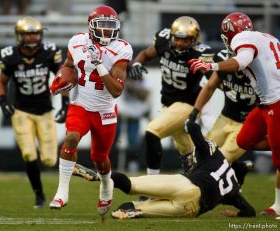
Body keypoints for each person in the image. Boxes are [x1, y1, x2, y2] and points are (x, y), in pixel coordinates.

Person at [188, 12, 280, 216]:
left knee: (278, 160)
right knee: (244, 140)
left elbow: (241, 61)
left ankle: (278, 206)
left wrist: (210, 65)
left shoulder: (241, 39)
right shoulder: (266, 37)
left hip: (276, 102)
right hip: (266, 103)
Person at [72, 119, 256, 219]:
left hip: (182, 182)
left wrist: (187, 120)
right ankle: (129, 212)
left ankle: (97, 176)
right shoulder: (233, 192)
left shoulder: (216, 157)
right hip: (192, 206)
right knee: (133, 209)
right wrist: (235, 214)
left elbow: (193, 127)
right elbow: (250, 212)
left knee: (130, 184)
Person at [48, 5, 133, 217]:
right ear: (90, 26)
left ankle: (106, 185)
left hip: (104, 110)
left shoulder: (122, 48)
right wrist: (62, 78)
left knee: (100, 158)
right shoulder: (77, 41)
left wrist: (98, 64)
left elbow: (116, 90)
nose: (106, 31)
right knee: (71, 138)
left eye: (110, 26)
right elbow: (68, 65)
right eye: (101, 25)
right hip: (81, 104)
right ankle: (62, 192)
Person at [127, 16, 214, 176]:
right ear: (172, 36)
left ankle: (152, 185)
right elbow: (146, 54)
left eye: (186, 40)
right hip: (168, 104)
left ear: (195, 39)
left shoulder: (200, 53)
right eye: (178, 39)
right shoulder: (163, 40)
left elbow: (213, 81)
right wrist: (138, 63)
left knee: (152, 132)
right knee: (187, 152)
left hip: (188, 104)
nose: (181, 43)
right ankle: (203, 180)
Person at [0, 16, 67, 208]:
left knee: (50, 159)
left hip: (44, 111)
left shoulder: (49, 53)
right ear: (19, 36)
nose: (32, 37)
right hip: (21, 112)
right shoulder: (10, 56)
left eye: (35, 33)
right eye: (27, 34)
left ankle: (41, 192)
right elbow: (1, 82)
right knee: (28, 154)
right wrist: (3, 103)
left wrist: (65, 103)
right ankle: (39, 195)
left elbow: (62, 78)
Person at [188, 48, 256, 185]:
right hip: (225, 117)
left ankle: (225, 191)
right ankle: (239, 168)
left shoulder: (260, 66)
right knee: (202, 154)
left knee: (221, 160)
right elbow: (209, 86)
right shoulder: (223, 59)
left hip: (248, 123)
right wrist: (193, 114)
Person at [113, 78, 150, 172]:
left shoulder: (142, 80)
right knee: (113, 139)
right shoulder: (119, 76)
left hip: (134, 115)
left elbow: (146, 94)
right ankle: (110, 163)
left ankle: (132, 164)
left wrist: (133, 88)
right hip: (119, 114)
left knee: (133, 141)